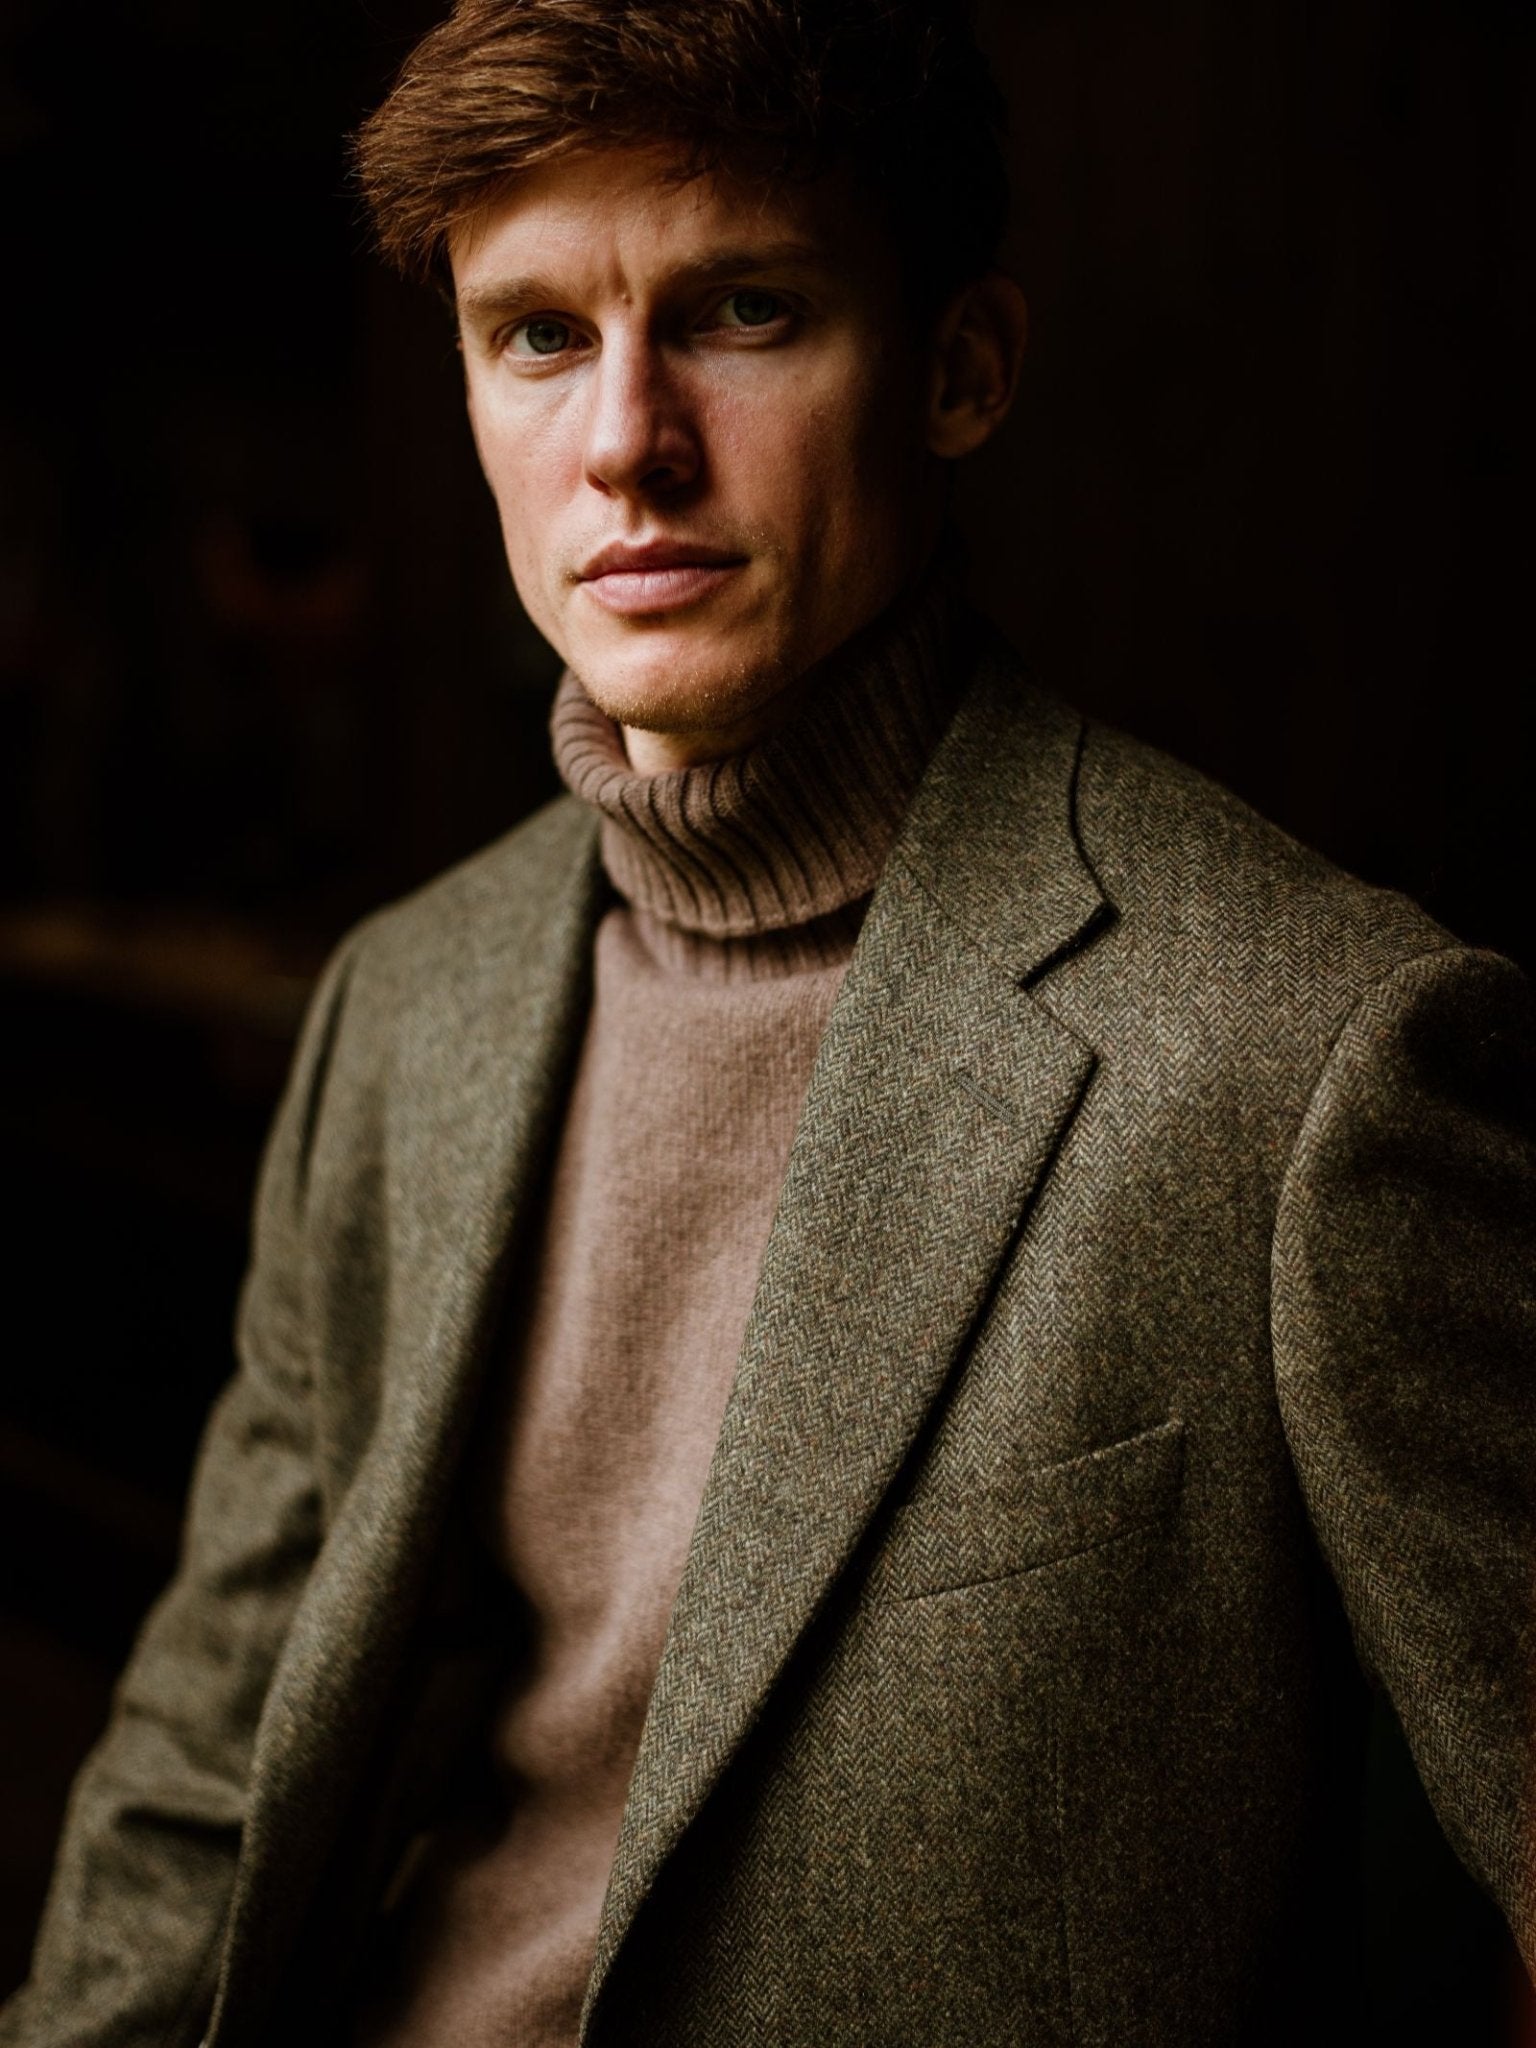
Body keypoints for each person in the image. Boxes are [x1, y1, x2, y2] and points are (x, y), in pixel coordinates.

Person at [5, 1, 1533, 2043]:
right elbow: (210, 1769)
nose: (624, 438)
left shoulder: (1314, 1053)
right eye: (536, 332)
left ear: (961, 369)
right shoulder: (405, 1003)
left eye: (740, 312)